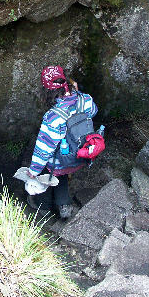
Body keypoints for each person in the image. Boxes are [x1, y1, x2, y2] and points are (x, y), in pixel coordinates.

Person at [26, 65, 98, 219]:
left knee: (49, 171)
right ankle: (64, 205)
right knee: (63, 174)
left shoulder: (53, 118)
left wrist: (33, 171)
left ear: (47, 91)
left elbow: (43, 149)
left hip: (61, 161)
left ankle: (42, 206)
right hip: (82, 155)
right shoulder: (85, 100)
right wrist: (78, 93)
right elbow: (94, 111)